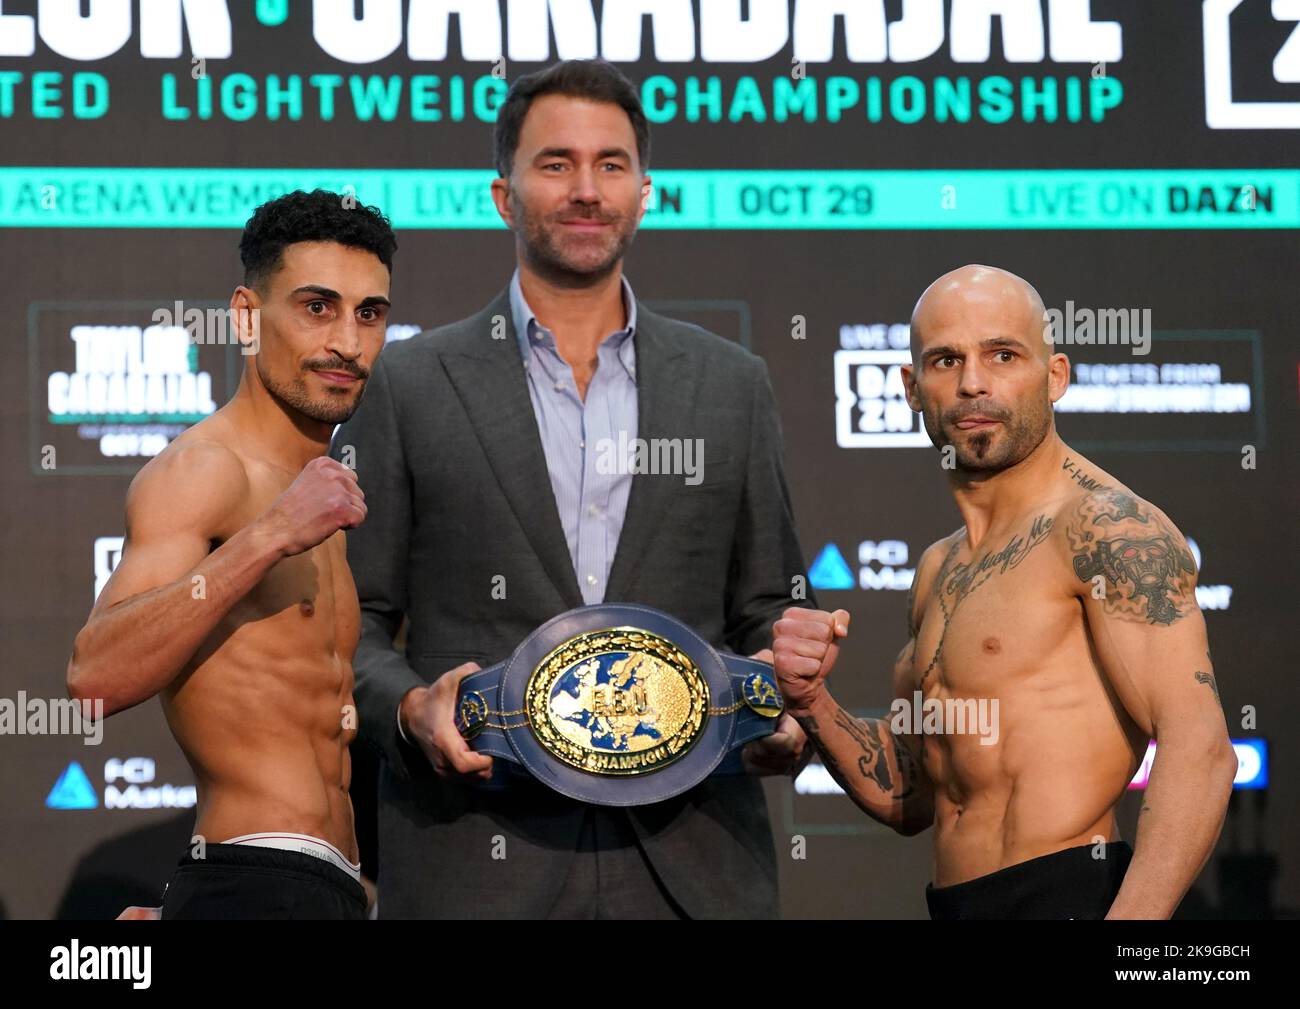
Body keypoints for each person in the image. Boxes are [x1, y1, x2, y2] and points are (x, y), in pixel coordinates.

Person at [332, 59, 813, 919]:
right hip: (476, 862)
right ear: (503, 194)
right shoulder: (408, 382)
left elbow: (763, 607)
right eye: (555, 164)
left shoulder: (731, 384)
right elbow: (350, 622)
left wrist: (783, 699)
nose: (586, 189)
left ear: (644, 191)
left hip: (692, 868)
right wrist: (410, 708)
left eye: (611, 164)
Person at [772, 264, 1237, 920]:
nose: (972, 382)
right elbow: (912, 791)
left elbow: (1201, 746)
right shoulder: (939, 566)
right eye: (945, 359)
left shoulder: (1103, 525)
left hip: (1071, 898)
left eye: (1002, 354)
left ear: (1056, 376)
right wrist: (813, 701)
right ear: (911, 386)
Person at [67, 189, 397, 920]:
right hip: (252, 878)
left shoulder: (319, 490)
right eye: (318, 307)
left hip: (329, 887)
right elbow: (95, 676)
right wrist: (268, 535)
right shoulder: (207, 470)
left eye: (369, 313)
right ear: (246, 315)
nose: (347, 340)